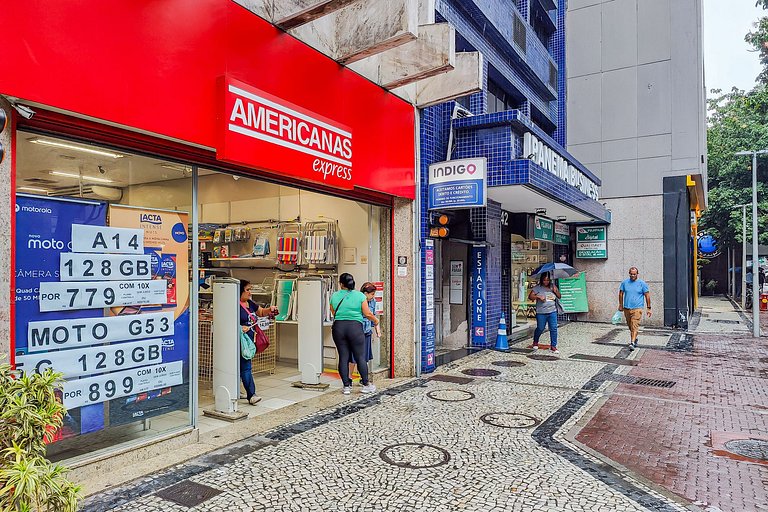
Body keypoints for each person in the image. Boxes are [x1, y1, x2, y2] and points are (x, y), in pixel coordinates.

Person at [330, 273, 379, 395]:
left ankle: (346, 386)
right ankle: (366, 385)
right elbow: (367, 313)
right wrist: (376, 320)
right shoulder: (359, 296)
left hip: (339, 328)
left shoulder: (334, 295)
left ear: (341, 284)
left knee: (343, 356)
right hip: (355, 328)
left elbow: (333, 312)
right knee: (360, 356)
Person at [239, 280, 278, 405]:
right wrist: (240, 328)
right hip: (239, 339)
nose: (250, 293)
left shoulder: (249, 303)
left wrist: (270, 309)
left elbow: (260, 312)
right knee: (246, 367)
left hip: (249, 339)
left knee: (241, 366)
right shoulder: (233, 304)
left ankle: (235, 389)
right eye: (247, 290)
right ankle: (251, 394)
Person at [349, 282, 380, 383]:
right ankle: (348, 378)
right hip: (357, 332)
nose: (373, 296)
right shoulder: (358, 300)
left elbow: (373, 316)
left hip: (367, 332)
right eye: (372, 294)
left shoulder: (373, 302)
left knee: (364, 356)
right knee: (353, 356)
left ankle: (363, 378)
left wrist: (377, 331)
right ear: (365, 293)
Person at [618, 267, 651, 350]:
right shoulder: (624, 283)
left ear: (637, 274)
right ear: (629, 273)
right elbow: (621, 294)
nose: (632, 275)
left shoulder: (642, 284)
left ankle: (632, 343)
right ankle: (635, 338)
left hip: (637, 308)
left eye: (634, 274)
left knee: (634, 325)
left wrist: (649, 308)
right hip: (627, 308)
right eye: (631, 274)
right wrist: (620, 305)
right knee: (630, 326)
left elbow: (647, 295)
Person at [529, 273, 561, 355]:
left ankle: (553, 346)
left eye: (547, 280)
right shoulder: (537, 288)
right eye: (544, 280)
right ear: (541, 280)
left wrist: (556, 291)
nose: (546, 282)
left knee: (553, 328)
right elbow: (530, 296)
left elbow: (559, 296)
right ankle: (535, 341)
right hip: (541, 312)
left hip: (552, 311)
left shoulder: (553, 286)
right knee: (540, 328)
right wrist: (538, 297)